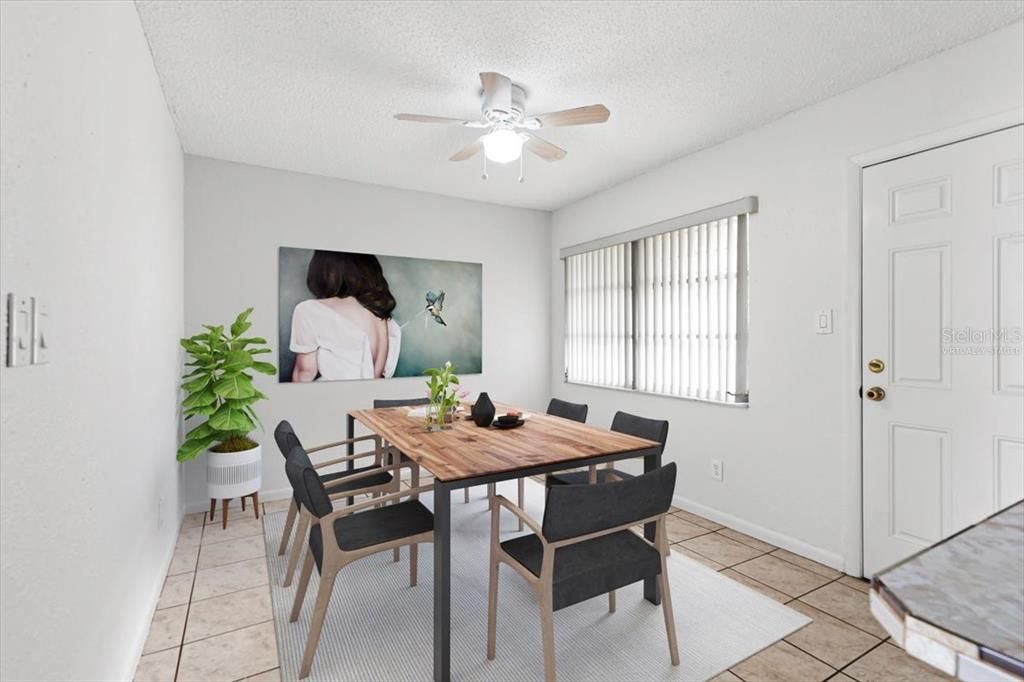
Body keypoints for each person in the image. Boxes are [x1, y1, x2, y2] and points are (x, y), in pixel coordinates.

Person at [289, 250, 401, 381]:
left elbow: (304, 373)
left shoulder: (309, 310)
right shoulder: (385, 321)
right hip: (369, 399)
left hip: (332, 399)